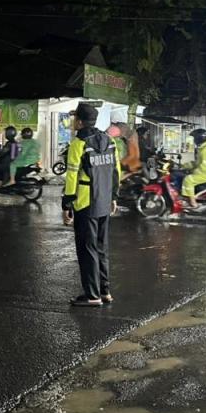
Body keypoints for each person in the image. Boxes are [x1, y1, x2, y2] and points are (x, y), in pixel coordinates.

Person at [63, 102, 120, 307]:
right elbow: (116, 171)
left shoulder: (79, 144)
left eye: (74, 119)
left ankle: (92, 295)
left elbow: (71, 176)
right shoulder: (109, 140)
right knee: (101, 248)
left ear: (79, 121)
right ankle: (105, 291)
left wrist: (67, 203)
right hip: (104, 200)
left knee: (87, 249)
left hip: (85, 202)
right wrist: (114, 196)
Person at [180, 128, 206, 208]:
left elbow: (203, 167)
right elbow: (196, 163)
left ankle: (193, 203)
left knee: (188, 179)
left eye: (195, 138)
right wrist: (183, 166)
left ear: (199, 138)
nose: (194, 140)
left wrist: (192, 172)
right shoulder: (202, 149)